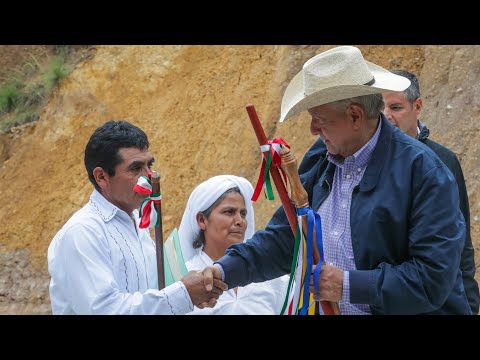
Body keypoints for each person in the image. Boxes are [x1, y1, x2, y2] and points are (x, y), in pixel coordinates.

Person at [203, 46, 470, 314]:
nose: (312, 129)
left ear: (355, 115)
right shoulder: (321, 157)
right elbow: (286, 239)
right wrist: (224, 269)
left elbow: (433, 278)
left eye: (319, 120)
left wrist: (347, 284)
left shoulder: (424, 171)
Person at [47, 120, 226, 315]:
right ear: (101, 177)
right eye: (135, 168)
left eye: (149, 165)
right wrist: (184, 294)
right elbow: (104, 310)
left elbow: (151, 291)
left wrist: (197, 289)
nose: (149, 176)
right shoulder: (83, 232)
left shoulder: (139, 224)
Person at [382, 70, 479, 315]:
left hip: (437, 304)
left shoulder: (443, 161)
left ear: (418, 106)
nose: (386, 117)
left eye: (396, 107)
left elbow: (462, 241)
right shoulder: (366, 162)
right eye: (380, 108)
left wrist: (470, 302)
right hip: (384, 299)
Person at [178, 175, 290, 315]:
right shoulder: (183, 281)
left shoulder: (273, 278)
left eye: (243, 214)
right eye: (229, 212)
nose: (239, 221)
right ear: (202, 220)